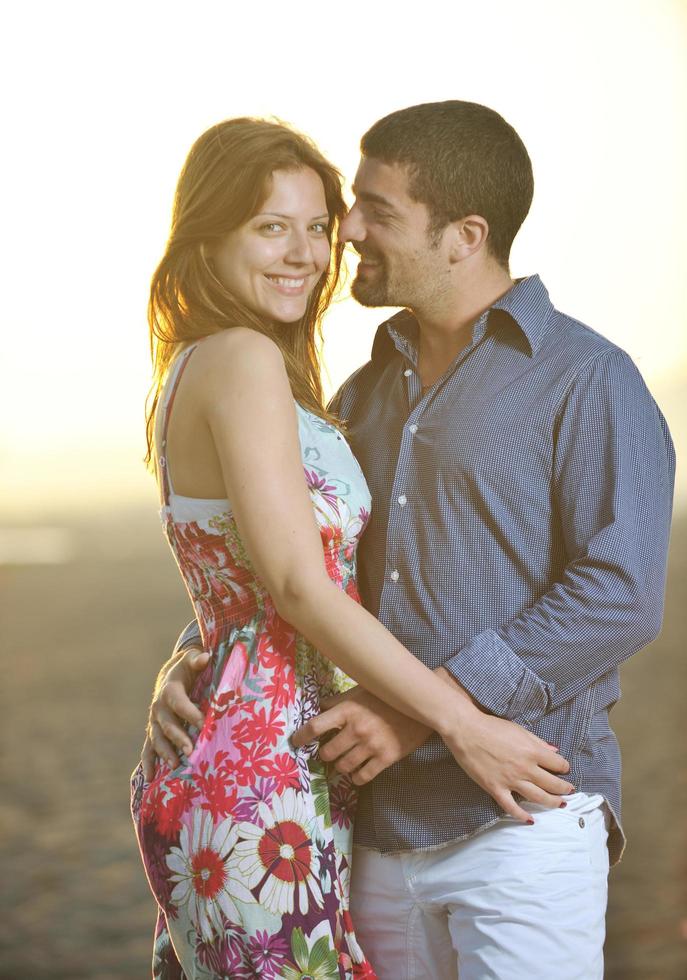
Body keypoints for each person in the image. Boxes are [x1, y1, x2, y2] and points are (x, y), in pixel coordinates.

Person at [147, 102, 676, 980]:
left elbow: (619, 593)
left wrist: (429, 708)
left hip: (514, 814)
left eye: (370, 212)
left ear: (464, 235)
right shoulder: (356, 397)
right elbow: (299, 562)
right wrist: (192, 657)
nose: (344, 233)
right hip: (370, 829)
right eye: (330, 214)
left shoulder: (586, 380)